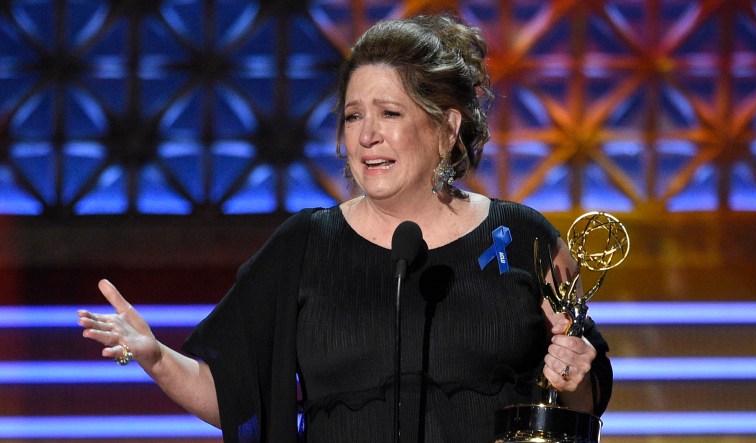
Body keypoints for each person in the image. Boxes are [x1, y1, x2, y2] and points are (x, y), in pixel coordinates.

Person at [77, 13, 612, 443]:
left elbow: (580, 398)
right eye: (353, 116)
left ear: (447, 129)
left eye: (390, 114)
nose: (366, 136)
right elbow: (237, 396)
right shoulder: (305, 245)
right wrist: (154, 356)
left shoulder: (522, 237)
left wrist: (576, 376)